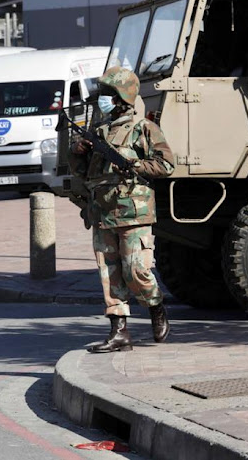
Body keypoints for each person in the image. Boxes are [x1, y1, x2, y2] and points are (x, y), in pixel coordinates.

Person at [68, 67, 175, 353]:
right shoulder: (98, 133)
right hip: (102, 212)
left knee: (136, 270)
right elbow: (83, 174)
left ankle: (156, 307)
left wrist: (134, 164)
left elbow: (165, 165)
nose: (102, 100)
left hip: (134, 211)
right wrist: (77, 152)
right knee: (109, 273)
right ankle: (119, 331)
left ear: (120, 98)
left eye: (107, 95)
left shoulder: (144, 128)